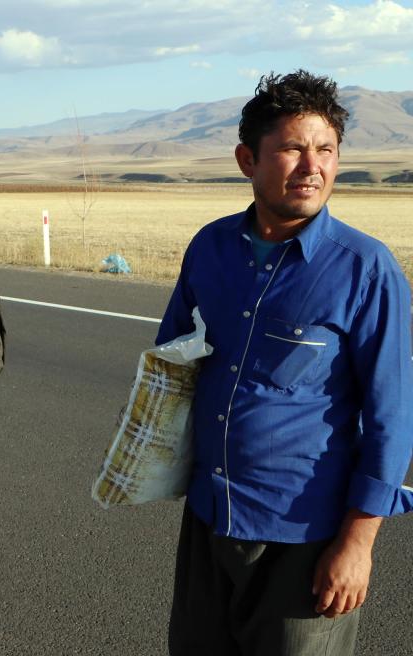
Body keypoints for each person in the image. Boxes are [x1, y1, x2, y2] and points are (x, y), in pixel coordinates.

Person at [157, 70, 413, 655]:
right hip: (210, 518)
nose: (311, 167)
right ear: (248, 159)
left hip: (306, 539)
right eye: (293, 148)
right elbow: (171, 364)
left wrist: (358, 543)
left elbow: (392, 418)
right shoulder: (210, 248)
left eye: (325, 150)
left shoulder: (366, 270)